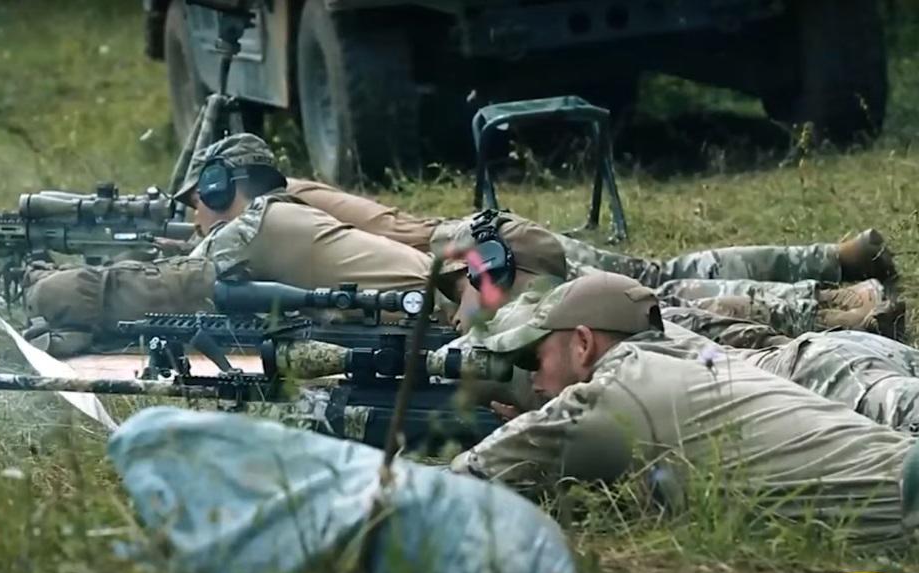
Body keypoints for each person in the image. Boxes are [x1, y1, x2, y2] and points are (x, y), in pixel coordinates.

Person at [447, 272, 919, 545]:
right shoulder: (683, 365)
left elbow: (459, 485)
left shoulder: (612, 392)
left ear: (584, 344)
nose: (534, 380)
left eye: (533, 360)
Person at [20, 133, 565, 355]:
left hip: (442, 330)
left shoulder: (258, 228)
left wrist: (41, 285)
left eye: (197, 200)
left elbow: (159, 291)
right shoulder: (288, 219)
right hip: (433, 323)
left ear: (220, 188)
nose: (193, 214)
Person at [284, 178, 904, 338]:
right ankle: (834, 271)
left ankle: (827, 309)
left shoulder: (271, 214)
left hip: (479, 266)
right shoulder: (291, 196)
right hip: (488, 245)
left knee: (643, 304)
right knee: (653, 283)